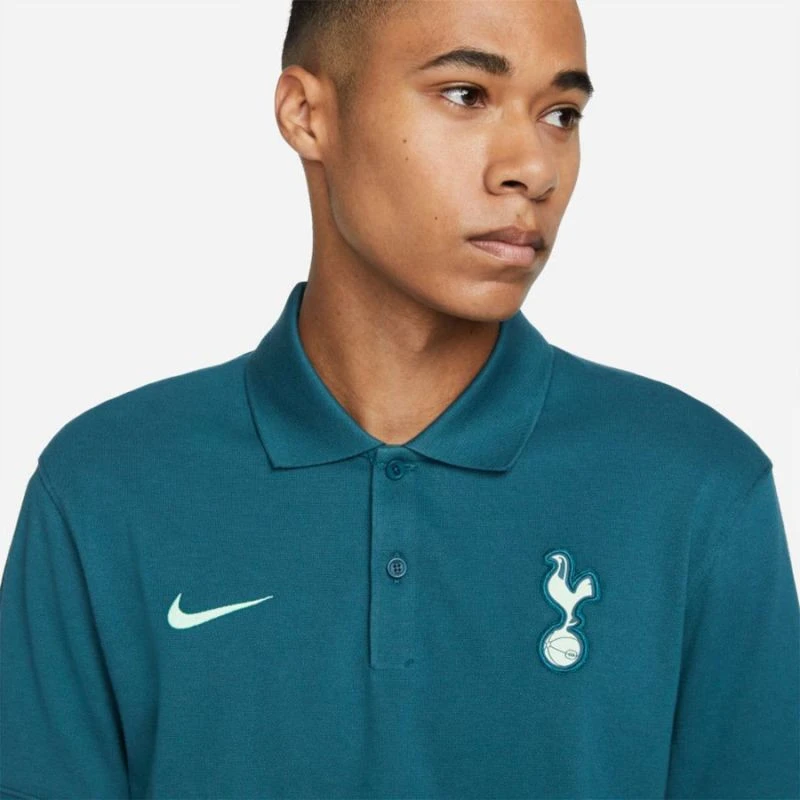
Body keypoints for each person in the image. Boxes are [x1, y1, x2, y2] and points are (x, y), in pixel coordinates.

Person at [1, 0, 798, 797]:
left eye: (561, 113)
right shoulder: (104, 492)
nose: (533, 168)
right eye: (466, 95)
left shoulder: (700, 493)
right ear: (307, 114)